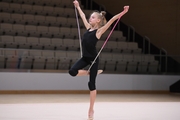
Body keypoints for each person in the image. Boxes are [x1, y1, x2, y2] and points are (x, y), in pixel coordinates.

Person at [69, 0, 129, 119]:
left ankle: (91, 109)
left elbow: (112, 20)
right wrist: (78, 7)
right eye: (90, 17)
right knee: (72, 72)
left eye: (92, 17)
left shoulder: (99, 31)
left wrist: (123, 12)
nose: (89, 19)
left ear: (98, 20)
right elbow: (81, 16)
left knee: (91, 84)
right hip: (85, 58)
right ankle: (92, 72)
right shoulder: (87, 28)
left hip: (93, 60)